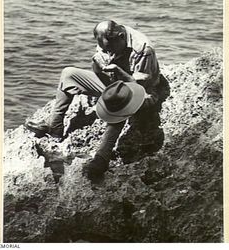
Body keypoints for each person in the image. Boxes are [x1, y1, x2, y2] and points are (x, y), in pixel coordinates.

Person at [25, 20, 170, 182]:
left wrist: (119, 72)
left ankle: (102, 157)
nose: (108, 53)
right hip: (115, 82)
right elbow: (101, 63)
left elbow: (139, 88)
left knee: (119, 100)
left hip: (143, 92)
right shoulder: (107, 41)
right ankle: (55, 127)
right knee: (68, 74)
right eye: (104, 49)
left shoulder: (143, 49)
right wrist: (98, 65)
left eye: (110, 49)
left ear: (121, 37)